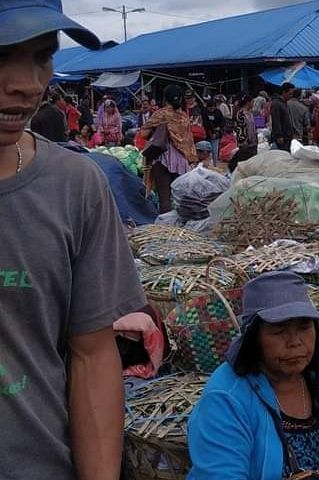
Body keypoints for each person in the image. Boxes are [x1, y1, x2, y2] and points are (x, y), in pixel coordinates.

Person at [0, 2, 147, 479]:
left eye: (43, 55)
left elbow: (93, 354)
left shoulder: (74, 186)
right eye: (1, 54)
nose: (28, 83)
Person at [188, 272, 319, 479]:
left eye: (304, 327)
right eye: (279, 331)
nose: (295, 342)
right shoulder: (226, 398)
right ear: (254, 338)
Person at [140, 84, 197, 213]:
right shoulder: (184, 116)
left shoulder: (160, 114)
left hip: (163, 158)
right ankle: (181, 226)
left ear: (165, 99)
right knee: (180, 198)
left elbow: (143, 133)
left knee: (164, 199)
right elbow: (188, 140)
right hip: (182, 160)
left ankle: (166, 228)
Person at [271, 82, 294, 151]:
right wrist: (279, 136)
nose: (291, 96)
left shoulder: (285, 103)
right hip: (282, 138)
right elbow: (276, 120)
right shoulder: (276, 104)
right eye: (290, 94)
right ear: (284, 92)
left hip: (287, 137)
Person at [234, 92, 258, 157]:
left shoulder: (251, 113)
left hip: (253, 143)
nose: (253, 104)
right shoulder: (240, 114)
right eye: (252, 102)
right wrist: (243, 141)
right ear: (248, 103)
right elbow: (239, 128)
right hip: (245, 143)